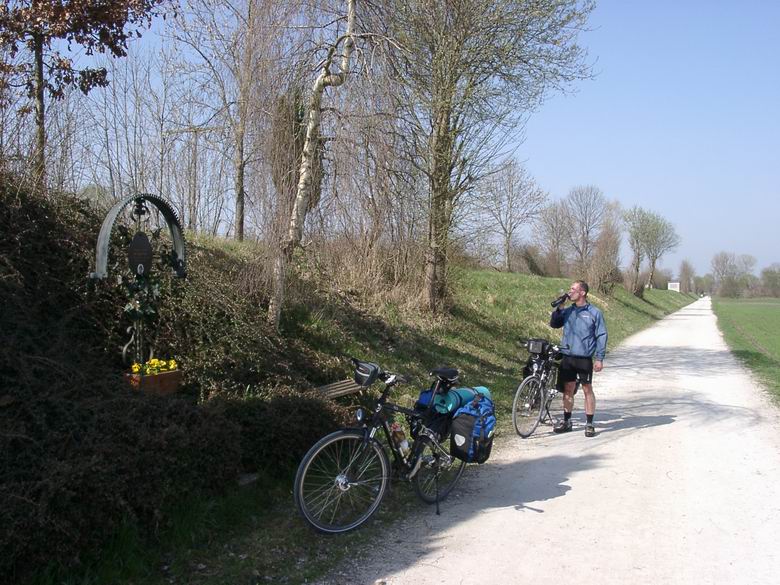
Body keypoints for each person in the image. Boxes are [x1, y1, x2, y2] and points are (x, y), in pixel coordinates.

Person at [549, 280, 607, 437]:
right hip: (568, 357)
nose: (570, 291)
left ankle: (589, 423)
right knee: (568, 389)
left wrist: (599, 358)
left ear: (582, 293)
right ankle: (567, 421)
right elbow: (554, 324)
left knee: (587, 389)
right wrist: (559, 308)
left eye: (573, 289)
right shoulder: (568, 311)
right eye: (570, 289)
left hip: (584, 358)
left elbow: (601, 335)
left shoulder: (594, 313)